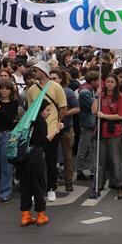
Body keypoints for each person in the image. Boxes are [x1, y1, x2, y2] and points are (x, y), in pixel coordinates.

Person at [25, 61, 67, 202]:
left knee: (51, 161)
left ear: (44, 71)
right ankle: (34, 190)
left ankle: (51, 188)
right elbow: (30, 111)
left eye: (36, 70)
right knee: (34, 164)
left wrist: (57, 122)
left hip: (52, 131)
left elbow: (63, 107)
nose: (33, 72)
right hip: (36, 133)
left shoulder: (56, 87)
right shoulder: (31, 90)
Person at [20, 99, 63, 227]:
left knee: (25, 186)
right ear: (40, 110)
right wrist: (56, 130)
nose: (49, 113)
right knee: (38, 185)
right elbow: (44, 141)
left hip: (23, 156)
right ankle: (40, 215)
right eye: (47, 110)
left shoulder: (26, 120)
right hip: (35, 155)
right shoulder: (41, 122)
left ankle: (25, 215)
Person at [93, 73, 122, 199]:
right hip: (101, 131)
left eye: (112, 81)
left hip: (114, 131)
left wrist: (105, 116)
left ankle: (120, 186)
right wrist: (96, 96)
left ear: (116, 83)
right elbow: (94, 110)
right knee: (100, 161)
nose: (109, 84)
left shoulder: (120, 97)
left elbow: (121, 115)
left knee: (116, 160)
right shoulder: (101, 95)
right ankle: (98, 185)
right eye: (107, 81)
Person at [50, 68, 79, 193]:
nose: (52, 81)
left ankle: (68, 181)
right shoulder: (47, 91)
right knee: (51, 156)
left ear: (60, 79)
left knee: (67, 156)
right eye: (50, 79)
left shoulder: (68, 92)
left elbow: (77, 108)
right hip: (51, 129)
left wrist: (63, 113)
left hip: (66, 128)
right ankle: (51, 181)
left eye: (54, 78)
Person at [76, 70, 100, 181]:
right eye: (98, 80)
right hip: (87, 123)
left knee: (92, 149)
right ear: (93, 81)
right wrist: (97, 96)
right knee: (83, 148)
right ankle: (79, 170)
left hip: (91, 123)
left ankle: (93, 170)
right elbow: (94, 105)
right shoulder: (85, 92)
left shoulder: (89, 90)